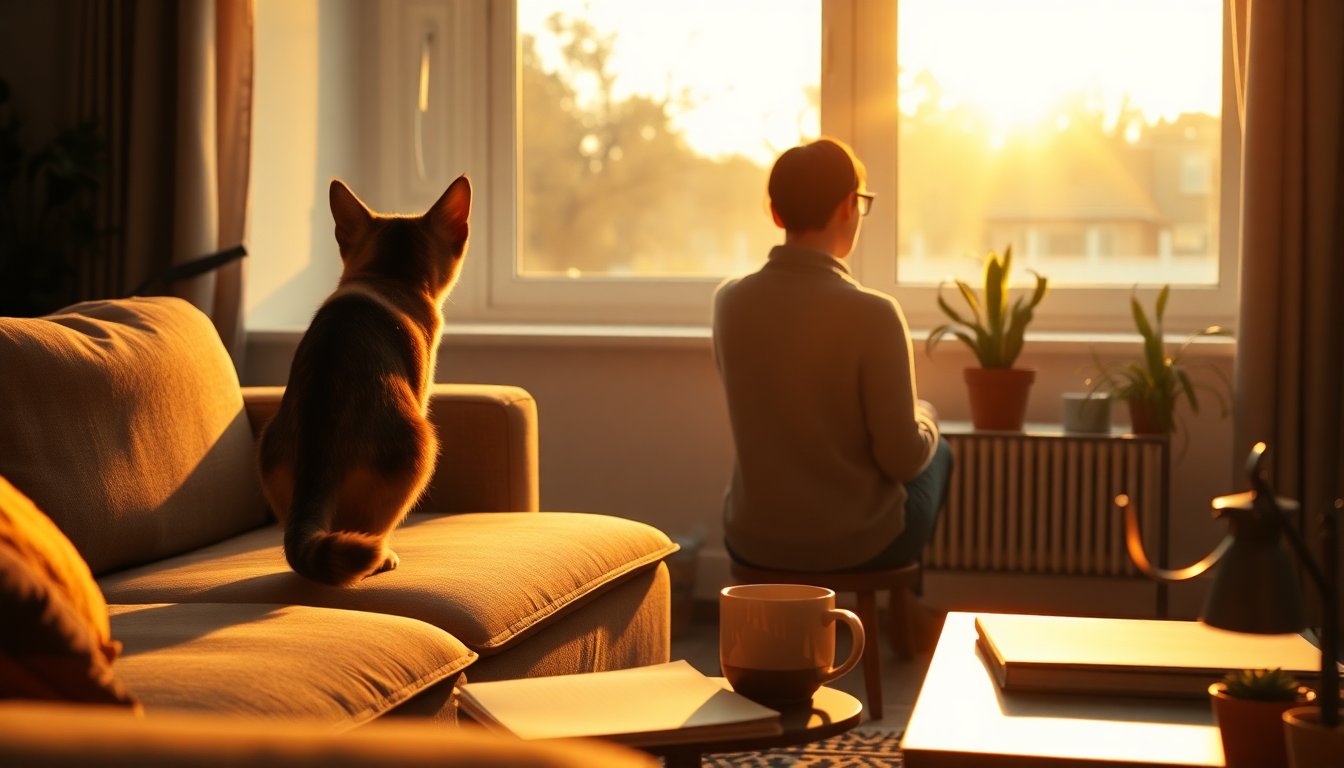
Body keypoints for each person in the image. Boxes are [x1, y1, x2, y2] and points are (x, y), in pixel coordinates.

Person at [712, 137, 953, 577]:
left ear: (776, 213)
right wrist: (928, 418)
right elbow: (901, 459)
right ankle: (907, 616)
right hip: (851, 544)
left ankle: (908, 616)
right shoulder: (874, 313)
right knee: (939, 451)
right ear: (848, 206)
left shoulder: (729, 302)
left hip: (752, 538)